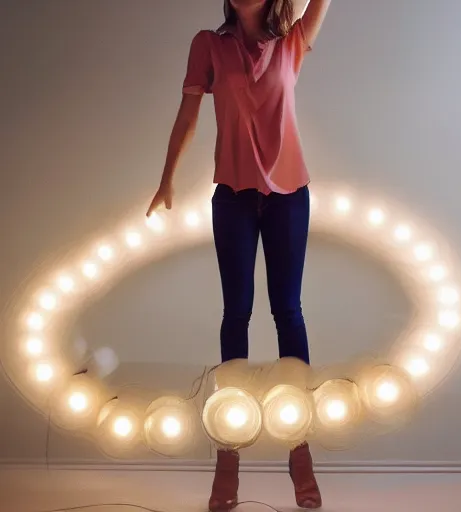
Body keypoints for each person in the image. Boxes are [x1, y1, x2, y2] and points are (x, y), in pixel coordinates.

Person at [147, 0, 331, 509]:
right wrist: (166, 178)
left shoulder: (292, 41)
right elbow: (188, 113)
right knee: (237, 313)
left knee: (288, 311)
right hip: (232, 197)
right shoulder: (208, 45)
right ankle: (229, 448)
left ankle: (299, 446)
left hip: (289, 195)